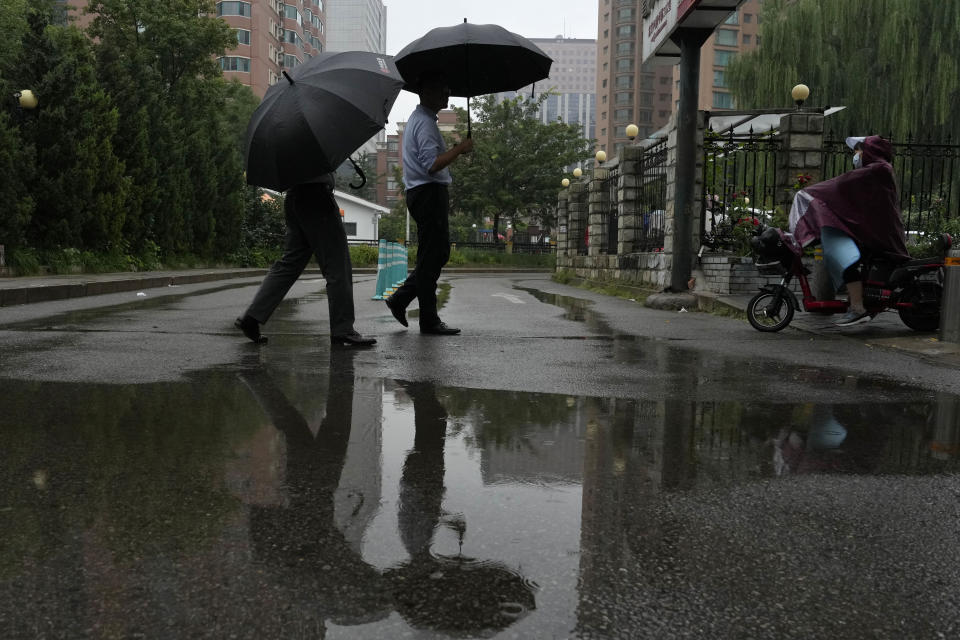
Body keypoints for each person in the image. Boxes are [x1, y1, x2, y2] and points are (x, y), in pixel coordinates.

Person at [235, 172, 376, 347]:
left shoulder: (287, 147)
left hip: (295, 197)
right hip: (317, 198)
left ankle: (252, 316)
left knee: (289, 264)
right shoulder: (312, 147)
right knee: (338, 265)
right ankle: (343, 329)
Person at [385, 72, 474, 335]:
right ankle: (426, 317)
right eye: (442, 90)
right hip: (427, 193)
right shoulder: (423, 123)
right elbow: (432, 165)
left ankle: (404, 301)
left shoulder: (422, 120)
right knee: (433, 255)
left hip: (425, 193)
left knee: (435, 254)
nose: (447, 94)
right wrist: (460, 149)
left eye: (447, 90)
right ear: (425, 92)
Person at [788, 135, 909, 326]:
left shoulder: (877, 169)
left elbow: (839, 186)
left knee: (848, 264)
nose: (856, 154)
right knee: (852, 261)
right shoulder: (877, 171)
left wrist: (811, 193)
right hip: (877, 233)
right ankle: (864, 304)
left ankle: (858, 308)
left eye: (859, 150)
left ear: (870, 152)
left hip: (881, 236)